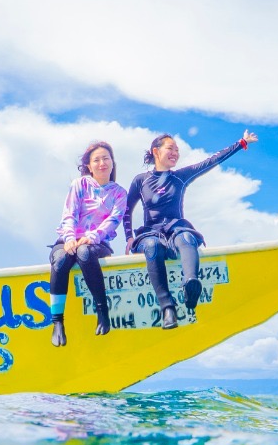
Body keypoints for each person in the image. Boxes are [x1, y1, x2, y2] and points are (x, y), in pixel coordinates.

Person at [125, 130, 258, 328]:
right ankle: (167, 308)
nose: (175, 153)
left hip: (176, 227)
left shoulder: (180, 177)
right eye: (170, 148)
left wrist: (241, 143)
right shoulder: (140, 180)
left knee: (187, 238)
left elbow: (211, 161)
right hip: (151, 232)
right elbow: (127, 210)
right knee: (152, 246)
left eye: (177, 150)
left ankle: (191, 284)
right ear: (156, 151)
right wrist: (128, 236)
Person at [48, 141, 127, 347]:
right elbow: (69, 214)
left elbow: (113, 220)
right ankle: (57, 322)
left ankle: (102, 311)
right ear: (89, 166)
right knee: (61, 259)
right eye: (96, 160)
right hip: (70, 238)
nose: (102, 163)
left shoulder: (119, 192)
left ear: (112, 162)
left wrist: (92, 236)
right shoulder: (79, 184)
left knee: (84, 252)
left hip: (97, 243)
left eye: (106, 158)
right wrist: (69, 238)